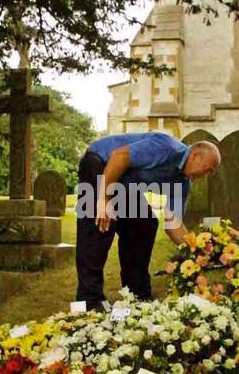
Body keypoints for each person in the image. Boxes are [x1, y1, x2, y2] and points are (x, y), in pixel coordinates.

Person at [74, 131, 221, 311]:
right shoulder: (167, 147)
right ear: (195, 156)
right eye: (208, 169)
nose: (206, 176)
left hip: (125, 182)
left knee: (145, 224)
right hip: (100, 163)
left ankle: (137, 295)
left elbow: (173, 224)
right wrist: (104, 199)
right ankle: (90, 299)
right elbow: (118, 157)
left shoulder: (182, 183)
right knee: (100, 224)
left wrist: (197, 251)